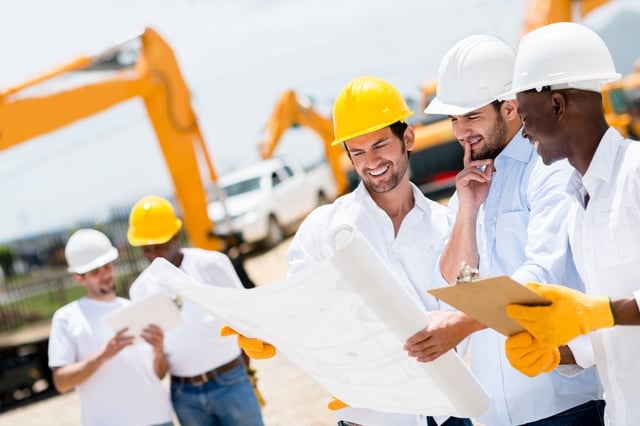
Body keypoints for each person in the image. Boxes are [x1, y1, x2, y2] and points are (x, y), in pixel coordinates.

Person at [404, 34, 604, 426]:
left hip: (563, 408)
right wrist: (467, 210)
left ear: (510, 107)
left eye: (472, 116)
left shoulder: (549, 169)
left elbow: (540, 277)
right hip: (494, 415)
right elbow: (459, 281)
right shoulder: (474, 181)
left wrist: (460, 325)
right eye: (453, 119)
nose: (460, 131)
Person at [286, 76, 471, 426]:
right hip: (372, 419)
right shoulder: (322, 229)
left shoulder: (446, 224)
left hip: (448, 413)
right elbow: (301, 313)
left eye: (379, 145)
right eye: (357, 152)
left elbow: (462, 305)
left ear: (408, 138)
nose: (371, 161)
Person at [501, 22, 640, 426]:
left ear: (558, 105)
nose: (524, 132)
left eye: (526, 116)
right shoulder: (578, 202)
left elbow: (600, 313)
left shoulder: (635, 175)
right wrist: (558, 352)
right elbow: (603, 326)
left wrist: (599, 313)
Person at [126, 195, 264, 426]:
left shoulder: (212, 265)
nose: (152, 255)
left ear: (176, 237)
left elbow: (245, 320)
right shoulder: (140, 289)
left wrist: (243, 374)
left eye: (158, 246)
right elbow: (155, 369)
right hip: (184, 395)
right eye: (145, 249)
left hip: (232, 382)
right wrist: (158, 349)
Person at [48, 228, 174, 426]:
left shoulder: (134, 308)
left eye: (107, 267)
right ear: (77, 277)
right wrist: (104, 355)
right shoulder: (67, 318)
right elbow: (61, 382)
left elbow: (159, 373)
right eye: (95, 271)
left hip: (159, 419)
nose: (105, 274)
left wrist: (159, 350)